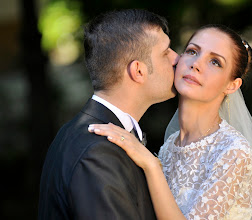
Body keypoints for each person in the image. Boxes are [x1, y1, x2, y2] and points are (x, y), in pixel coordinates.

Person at [89, 24, 252, 219]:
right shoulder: (170, 146)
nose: (196, 64)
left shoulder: (233, 151)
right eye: (192, 51)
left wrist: (151, 165)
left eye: (215, 62)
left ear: (232, 85)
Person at [38, 9, 179, 220]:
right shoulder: (97, 154)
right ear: (138, 71)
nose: (177, 58)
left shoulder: (92, 134)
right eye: (166, 52)